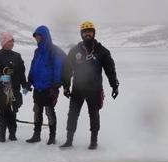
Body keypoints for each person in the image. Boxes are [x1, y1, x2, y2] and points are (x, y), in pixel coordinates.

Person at [60, 21, 119, 150]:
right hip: (78, 88)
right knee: (72, 114)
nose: (87, 34)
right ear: (81, 34)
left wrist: (114, 85)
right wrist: (65, 86)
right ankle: (69, 140)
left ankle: (94, 141)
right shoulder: (74, 50)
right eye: (85, 32)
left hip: (95, 89)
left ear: (94, 33)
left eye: (90, 31)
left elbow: (110, 70)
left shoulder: (102, 51)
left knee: (94, 114)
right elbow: (67, 70)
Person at [26, 25, 66, 145]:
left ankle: (52, 137)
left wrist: (55, 86)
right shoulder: (37, 51)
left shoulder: (53, 51)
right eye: (36, 36)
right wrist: (30, 80)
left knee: (49, 111)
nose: (37, 38)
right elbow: (34, 66)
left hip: (49, 88)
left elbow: (58, 68)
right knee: (37, 111)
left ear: (44, 36)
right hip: (38, 87)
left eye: (38, 36)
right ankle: (36, 135)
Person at [0, 32, 29, 142]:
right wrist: (0, 77)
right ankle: (2, 136)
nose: (12, 43)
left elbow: (21, 73)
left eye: (13, 41)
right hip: (1, 90)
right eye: (10, 41)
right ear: (4, 42)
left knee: (13, 112)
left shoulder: (17, 56)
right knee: (2, 112)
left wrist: (24, 85)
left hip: (14, 89)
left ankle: (12, 134)